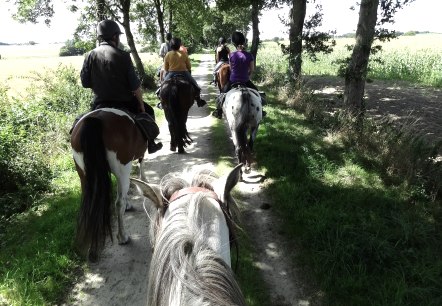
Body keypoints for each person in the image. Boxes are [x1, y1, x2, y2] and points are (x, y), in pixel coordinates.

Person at [80, 19, 162, 153]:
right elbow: (135, 86)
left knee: (79, 123)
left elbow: (85, 83)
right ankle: (151, 144)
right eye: (118, 36)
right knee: (149, 111)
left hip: (99, 103)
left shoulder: (89, 55)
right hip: (124, 103)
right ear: (114, 36)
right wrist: (141, 104)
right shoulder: (124, 56)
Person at [212, 31, 266, 119]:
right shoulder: (249, 55)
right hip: (245, 80)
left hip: (233, 80)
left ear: (234, 43)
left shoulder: (232, 55)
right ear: (244, 42)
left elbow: (232, 69)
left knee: (221, 94)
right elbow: (252, 70)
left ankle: (218, 111)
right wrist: (248, 77)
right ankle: (261, 111)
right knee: (258, 94)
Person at [162, 37, 207, 107]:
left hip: (171, 73)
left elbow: (165, 68)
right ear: (179, 45)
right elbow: (189, 66)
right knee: (195, 85)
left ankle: (162, 101)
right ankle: (198, 100)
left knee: (163, 86)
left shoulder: (168, 54)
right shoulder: (183, 54)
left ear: (171, 45)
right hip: (184, 73)